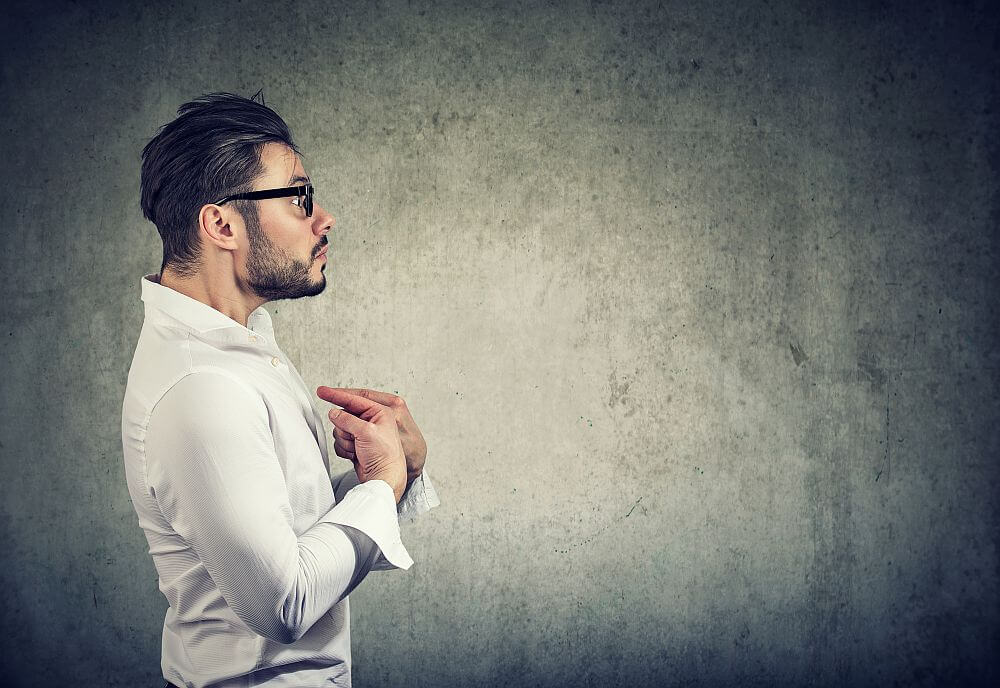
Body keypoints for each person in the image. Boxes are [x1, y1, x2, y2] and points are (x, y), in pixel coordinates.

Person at [120, 90, 440, 688]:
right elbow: (282, 602)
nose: (324, 219)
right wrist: (383, 486)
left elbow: (287, 523)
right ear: (221, 224)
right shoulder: (201, 388)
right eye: (299, 198)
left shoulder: (236, 344)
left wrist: (398, 471)